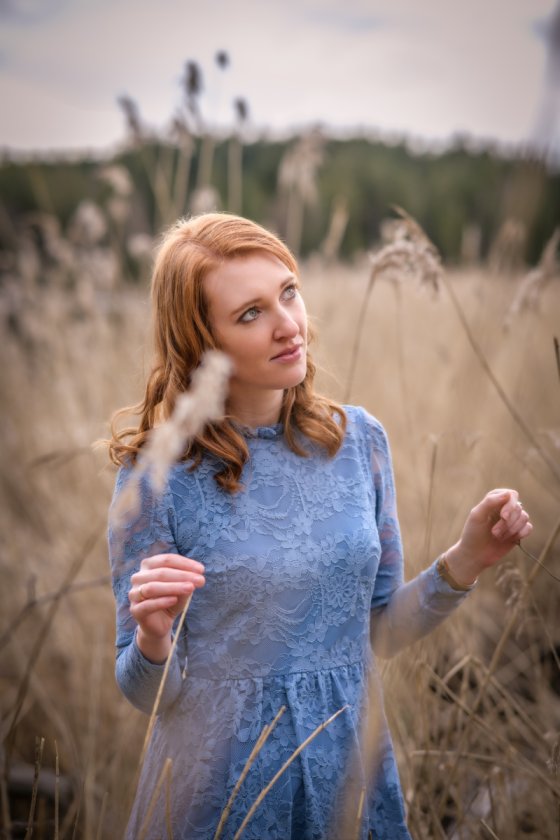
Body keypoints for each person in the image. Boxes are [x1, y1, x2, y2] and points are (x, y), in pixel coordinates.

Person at [107, 213, 532, 840]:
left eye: (288, 292)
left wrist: (466, 560)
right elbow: (146, 693)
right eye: (249, 314)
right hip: (222, 799)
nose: (288, 325)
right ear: (202, 343)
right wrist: (152, 641)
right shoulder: (157, 477)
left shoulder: (359, 441)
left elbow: (380, 631)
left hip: (347, 778)